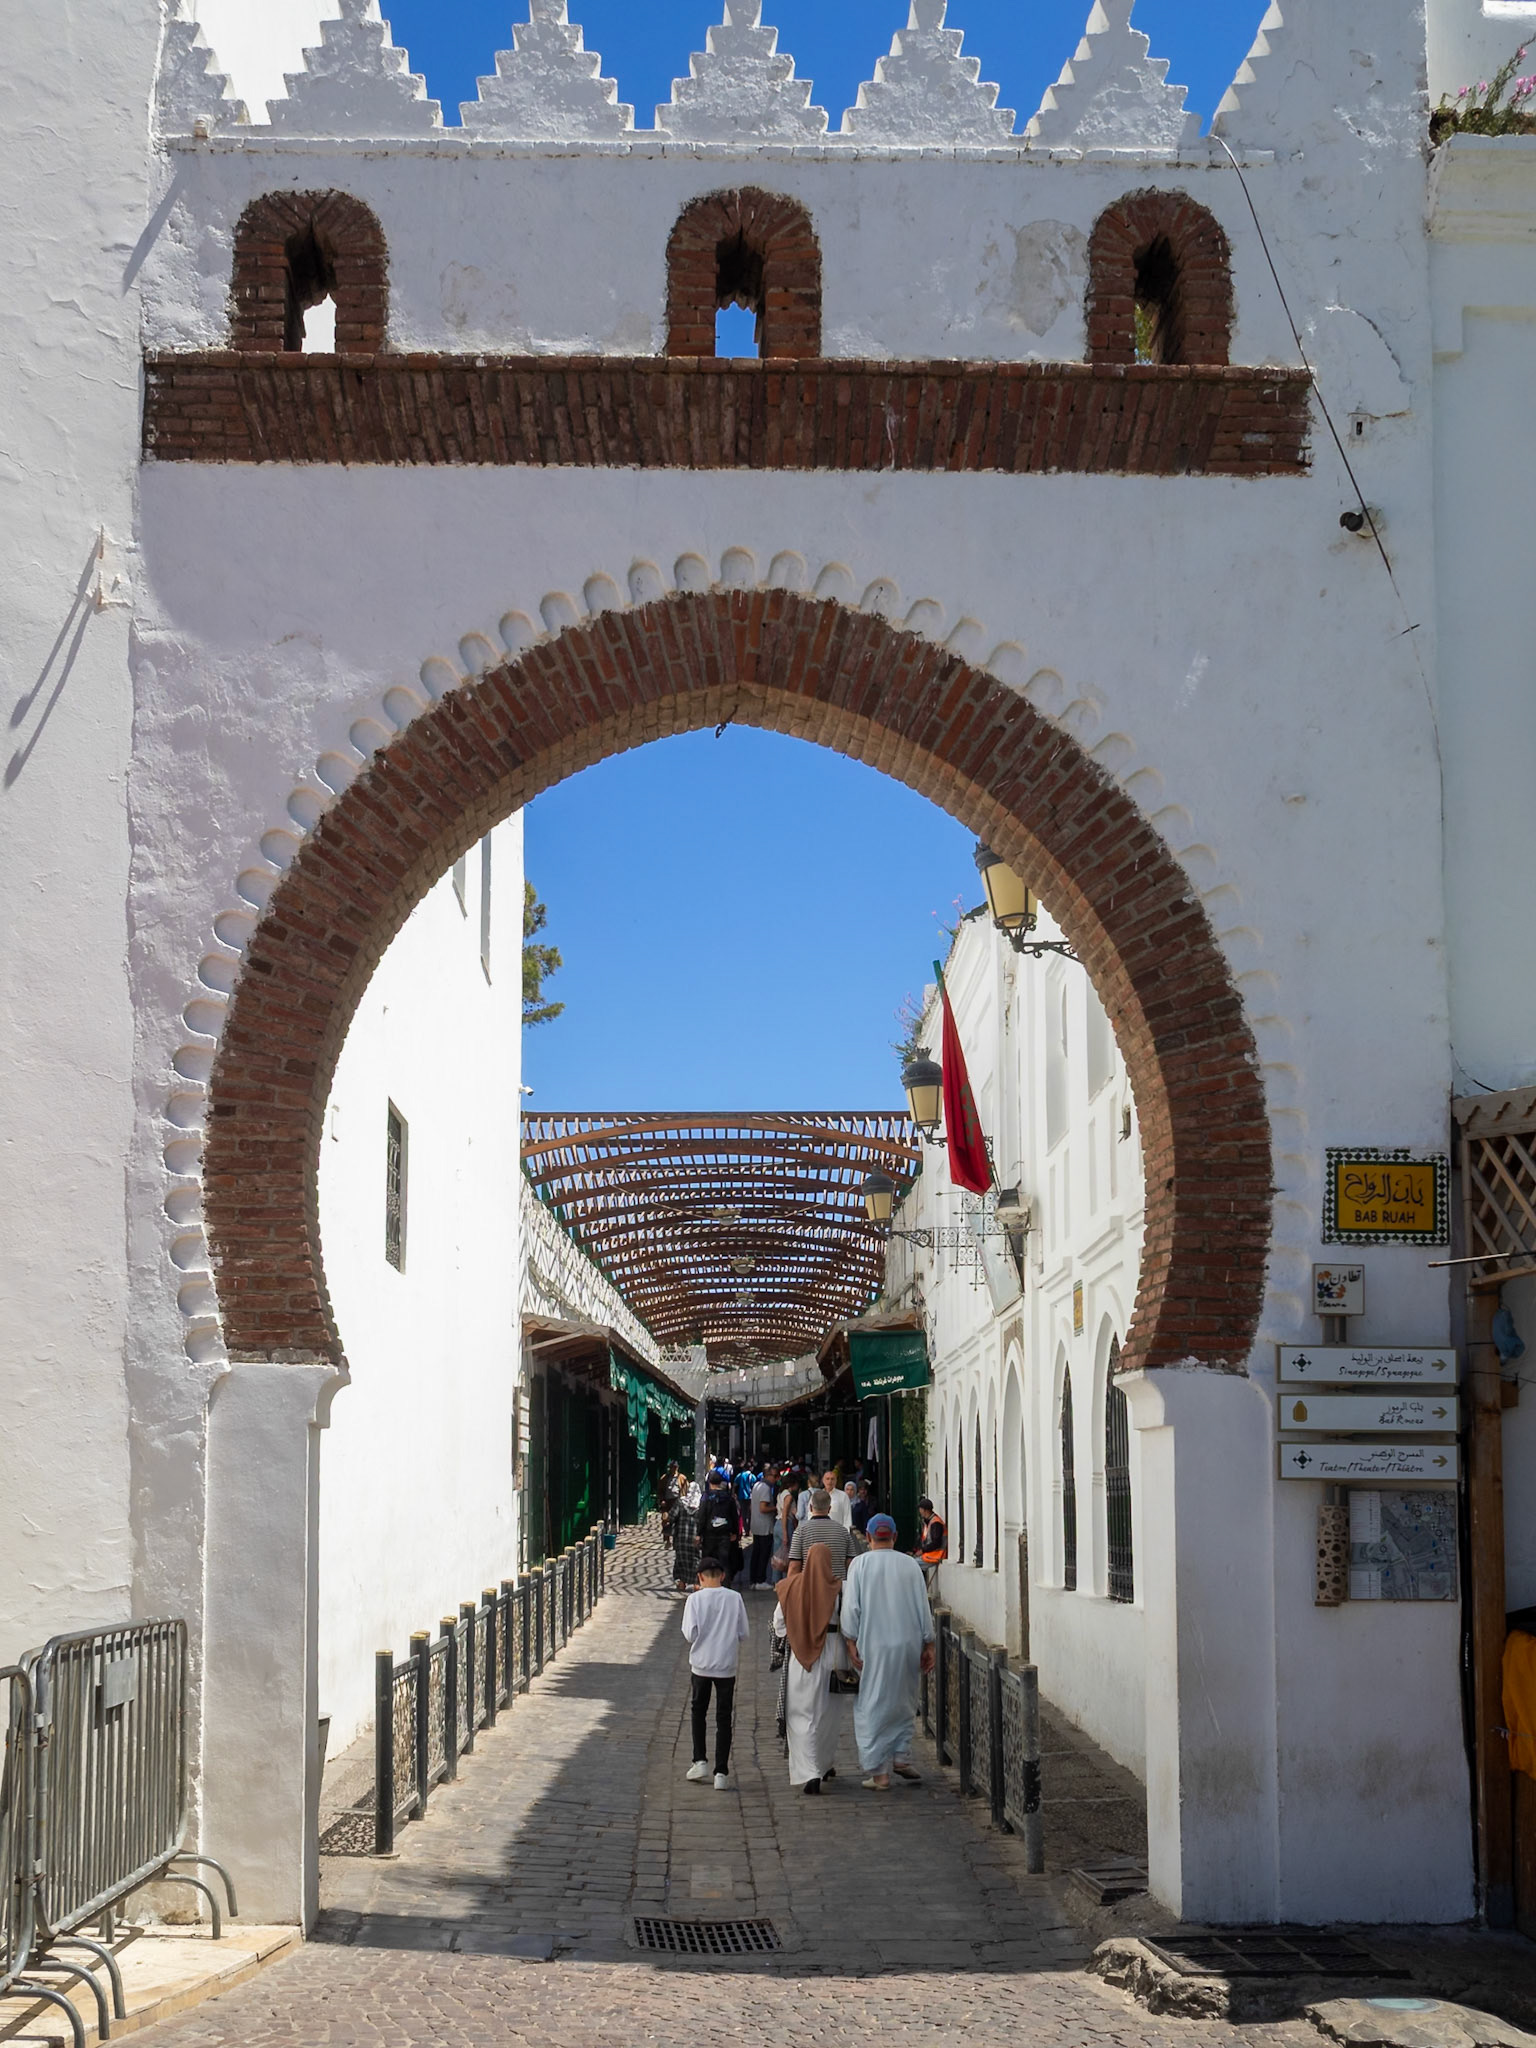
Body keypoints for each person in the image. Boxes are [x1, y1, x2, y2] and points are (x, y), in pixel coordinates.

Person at [842, 1513, 935, 1791]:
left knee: (873, 1703)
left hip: (874, 1645)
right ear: (894, 1536)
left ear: (868, 1537)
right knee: (904, 1700)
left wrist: (850, 1640)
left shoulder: (859, 1565)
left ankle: (879, 1771)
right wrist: (929, 1643)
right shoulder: (909, 1565)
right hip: (907, 1644)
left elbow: (852, 1609)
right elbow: (923, 1606)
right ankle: (901, 1755)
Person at [776, 1541, 849, 1794]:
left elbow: (778, 1625)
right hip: (832, 1655)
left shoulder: (790, 1587)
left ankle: (809, 1771)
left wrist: (800, 1627)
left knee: (801, 1714)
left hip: (801, 1655)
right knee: (828, 1714)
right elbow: (850, 1624)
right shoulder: (840, 1589)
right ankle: (824, 1763)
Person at [681, 1553, 749, 1789]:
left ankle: (699, 1760)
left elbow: (690, 1634)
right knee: (724, 1717)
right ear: (722, 1575)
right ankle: (722, 1771)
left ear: (699, 1577)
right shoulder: (735, 1598)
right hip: (726, 1664)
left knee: (698, 1711)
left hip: (701, 1663)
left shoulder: (695, 1601)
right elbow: (743, 1633)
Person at [786, 1487, 858, 1583]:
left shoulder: (800, 1531)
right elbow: (851, 1564)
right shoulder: (843, 1531)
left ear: (811, 1508)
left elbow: (794, 1566)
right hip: (837, 1589)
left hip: (809, 1588)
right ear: (829, 1509)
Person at [697, 1468, 743, 1581]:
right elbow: (734, 1517)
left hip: (709, 1535)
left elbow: (702, 1516)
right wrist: (736, 1533)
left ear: (710, 1482)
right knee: (724, 1561)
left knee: (708, 1560)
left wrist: (699, 1533)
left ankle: (708, 1582)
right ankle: (725, 1583)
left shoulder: (706, 1497)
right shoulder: (729, 1498)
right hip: (725, 1535)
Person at [748, 1464, 778, 1587]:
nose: (776, 1479)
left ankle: (753, 1580)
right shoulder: (765, 1488)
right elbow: (763, 1508)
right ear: (768, 1475)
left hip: (756, 1525)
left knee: (756, 1553)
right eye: (775, 1476)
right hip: (765, 1526)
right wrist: (776, 1508)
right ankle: (760, 1580)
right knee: (763, 1554)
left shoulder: (756, 1485)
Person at [672, 1472, 701, 1591]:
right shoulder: (701, 1504)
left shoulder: (681, 1502)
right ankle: (696, 1584)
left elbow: (672, 1516)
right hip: (695, 1538)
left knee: (681, 1559)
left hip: (681, 1538)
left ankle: (682, 1583)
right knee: (696, 1560)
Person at [916, 1495, 948, 1590]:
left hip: (936, 1555)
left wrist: (923, 1550)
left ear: (925, 1510)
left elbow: (936, 1543)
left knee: (913, 1564)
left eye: (920, 1509)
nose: (919, 1511)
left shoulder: (935, 1523)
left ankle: (918, 1589)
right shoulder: (930, 1522)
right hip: (931, 1553)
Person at [770, 1484, 797, 1583]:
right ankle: (786, 1580)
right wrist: (785, 1533)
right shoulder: (788, 1496)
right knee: (787, 1554)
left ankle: (776, 1581)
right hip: (785, 1524)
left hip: (777, 1523)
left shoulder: (780, 1494)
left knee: (778, 1555)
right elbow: (785, 1513)